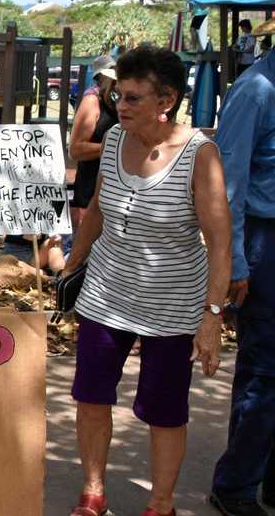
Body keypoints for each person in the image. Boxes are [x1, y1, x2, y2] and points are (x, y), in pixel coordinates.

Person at [59, 44, 231, 516]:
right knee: (91, 394)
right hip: (106, 293)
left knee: (163, 408)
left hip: (172, 302)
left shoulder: (201, 154)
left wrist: (212, 316)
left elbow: (220, 241)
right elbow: (95, 210)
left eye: (134, 98)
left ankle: (161, 502)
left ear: (166, 100)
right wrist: (73, 263)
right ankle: (92, 492)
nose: (121, 106)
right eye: (119, 95)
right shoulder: (114, 138)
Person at [209, 32, 275, 516]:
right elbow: (226, 183)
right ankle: (235, 487)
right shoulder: (255, 90)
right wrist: (233, 261)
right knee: (265, 370)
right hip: (264, 239)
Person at [69, 55, 118, 227]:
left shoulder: (117, 101)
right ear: (103, 77)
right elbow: (75, 149)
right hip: (90, 188)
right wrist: (115, 147)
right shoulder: (92, 101)